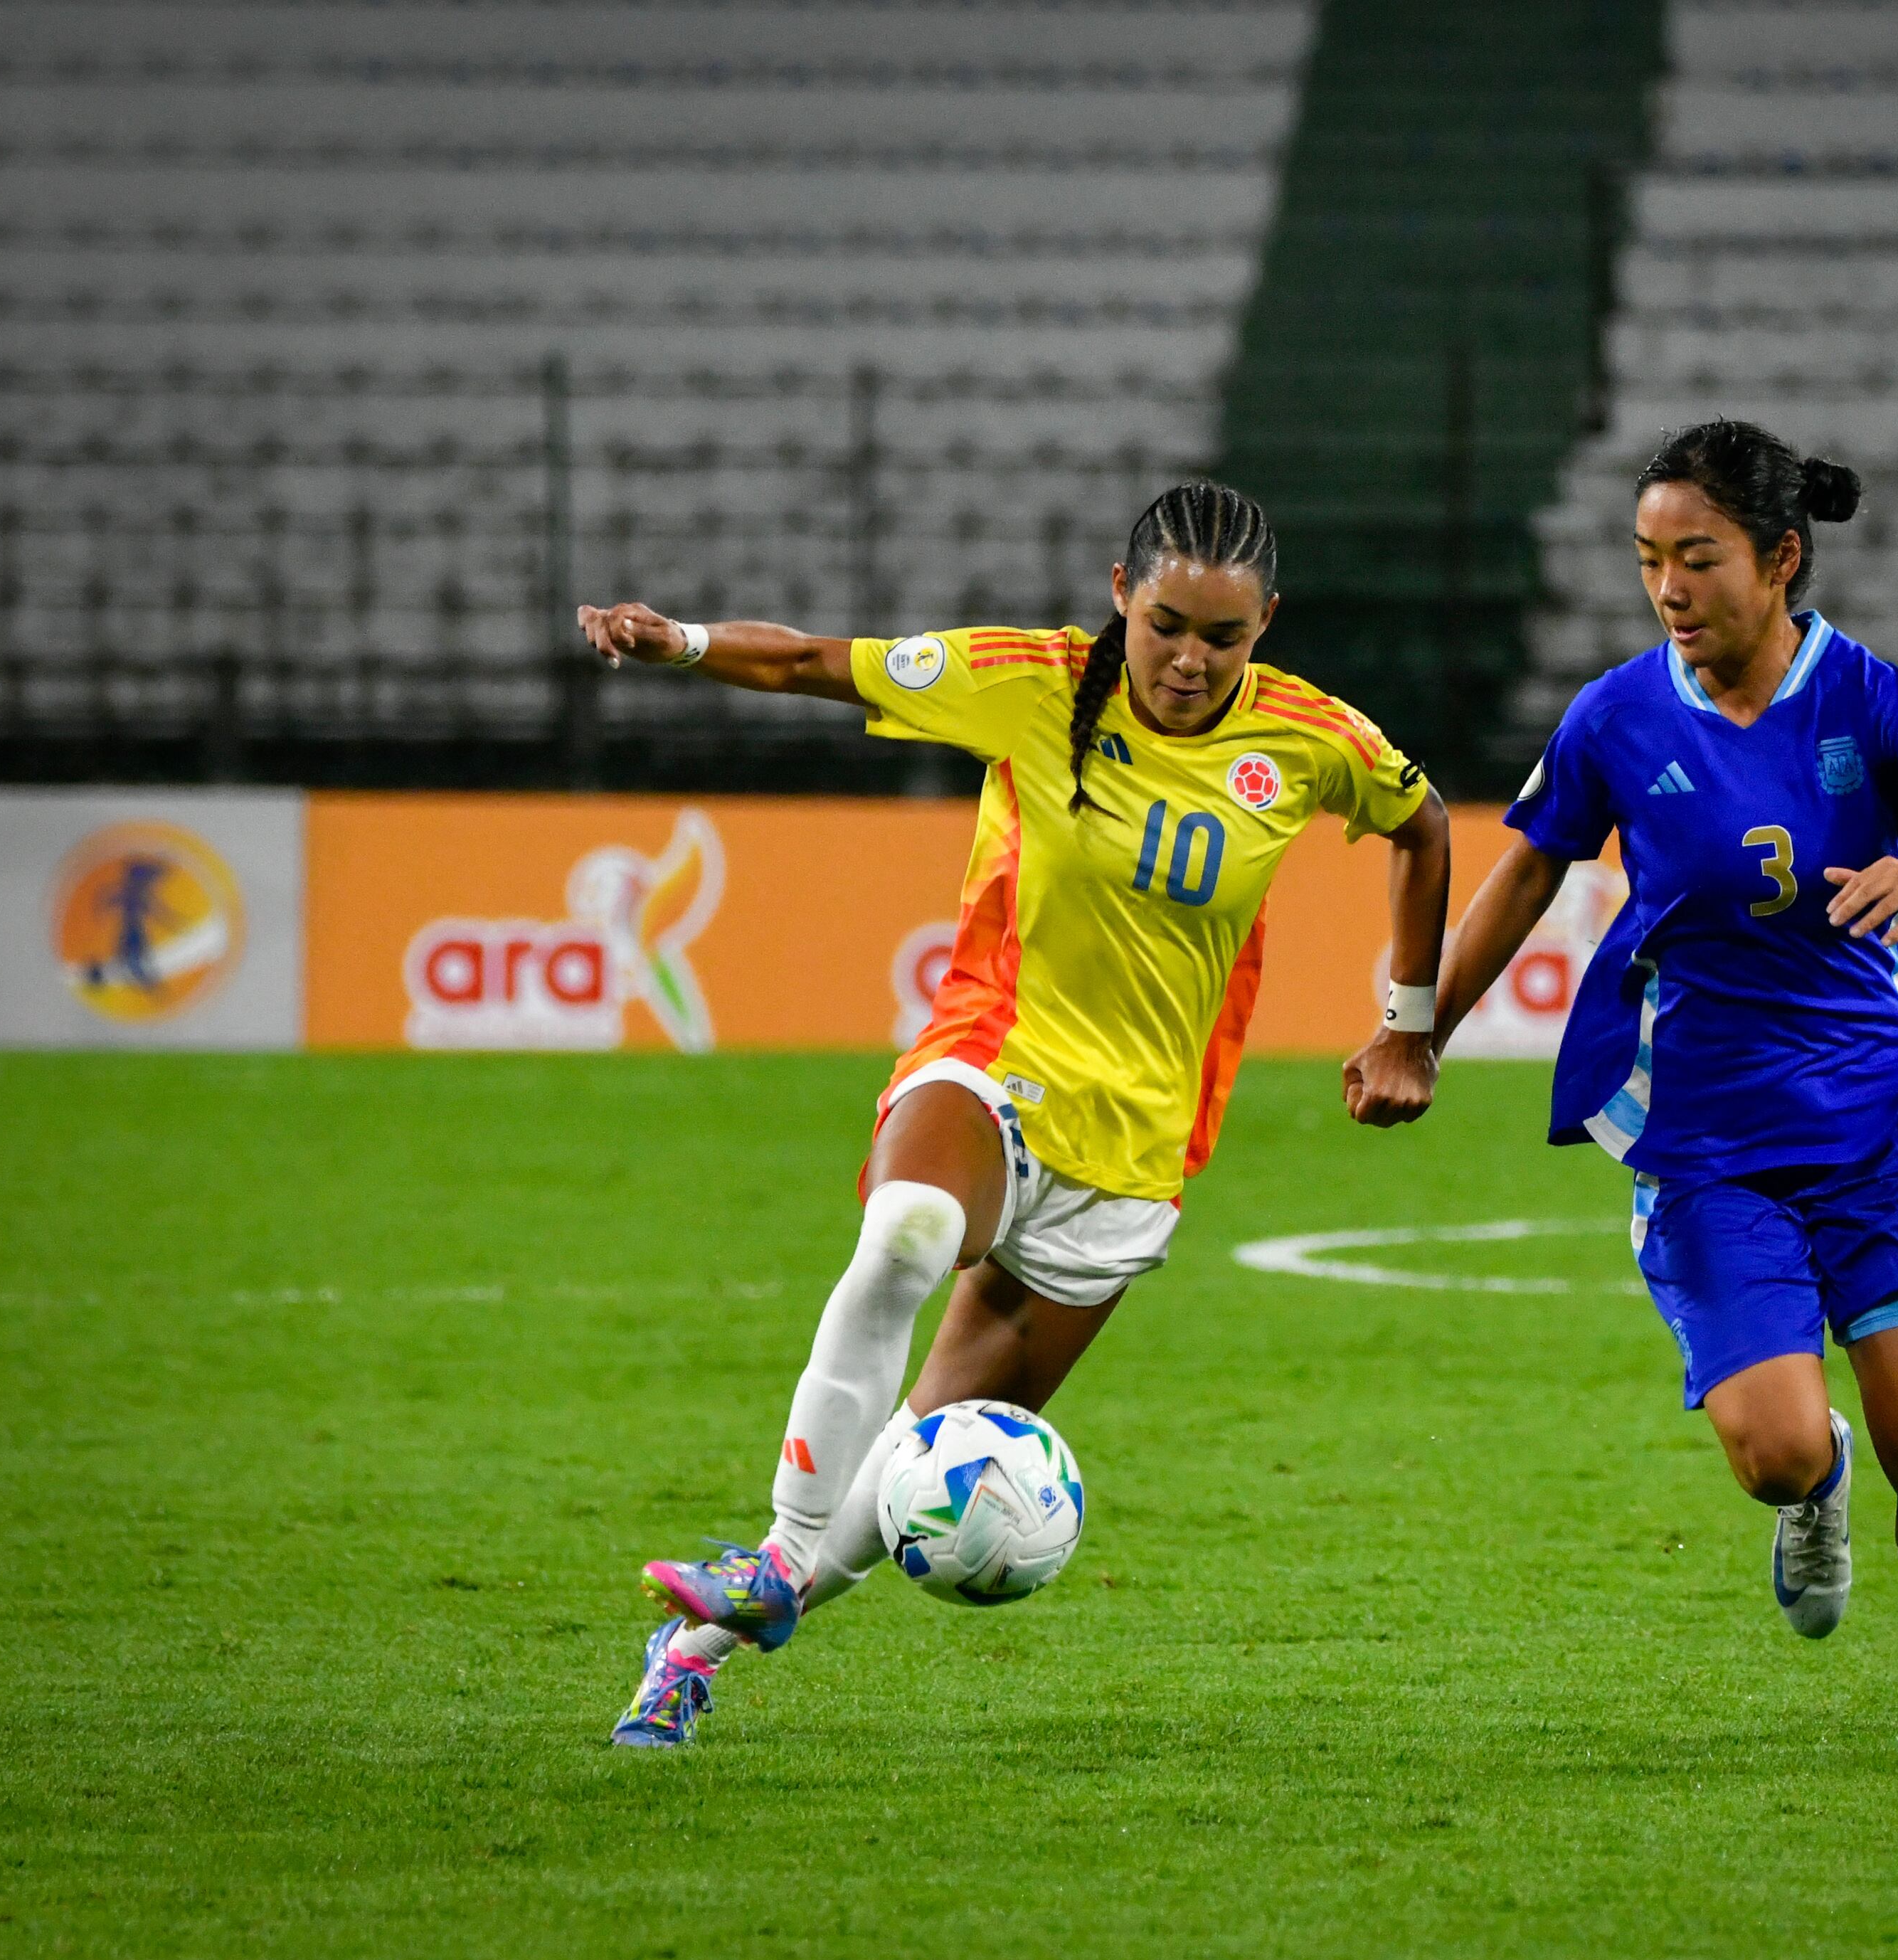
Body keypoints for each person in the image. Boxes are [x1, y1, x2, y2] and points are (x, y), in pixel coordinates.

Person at [576, 482, 1451, 1747]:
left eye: (1223, 636)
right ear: (1118, 595)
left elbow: (1421, 825)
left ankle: (693, 1650)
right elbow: (823, 662)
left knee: (923, 1471)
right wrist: (687, 645)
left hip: (1136, 1149)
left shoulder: (1312, 742)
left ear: (1267, 623)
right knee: (910, 1230)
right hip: (992, 1056)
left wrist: (1406, 1019)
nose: (1190, 659)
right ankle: (773, 1549)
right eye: (1164, 626)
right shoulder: (1027, 680)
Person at [1434, 420, 1898, 1732]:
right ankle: (1813, 1486)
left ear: (1779, 560)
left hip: (1880, 1123)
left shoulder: (1875, 703)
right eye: (1649, 559)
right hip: (1708, 1140)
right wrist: (1410, 1028)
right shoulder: (1613, 713)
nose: (1668, 589)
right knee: (1780, 1451)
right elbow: (1526, 869)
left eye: (1698, 559)